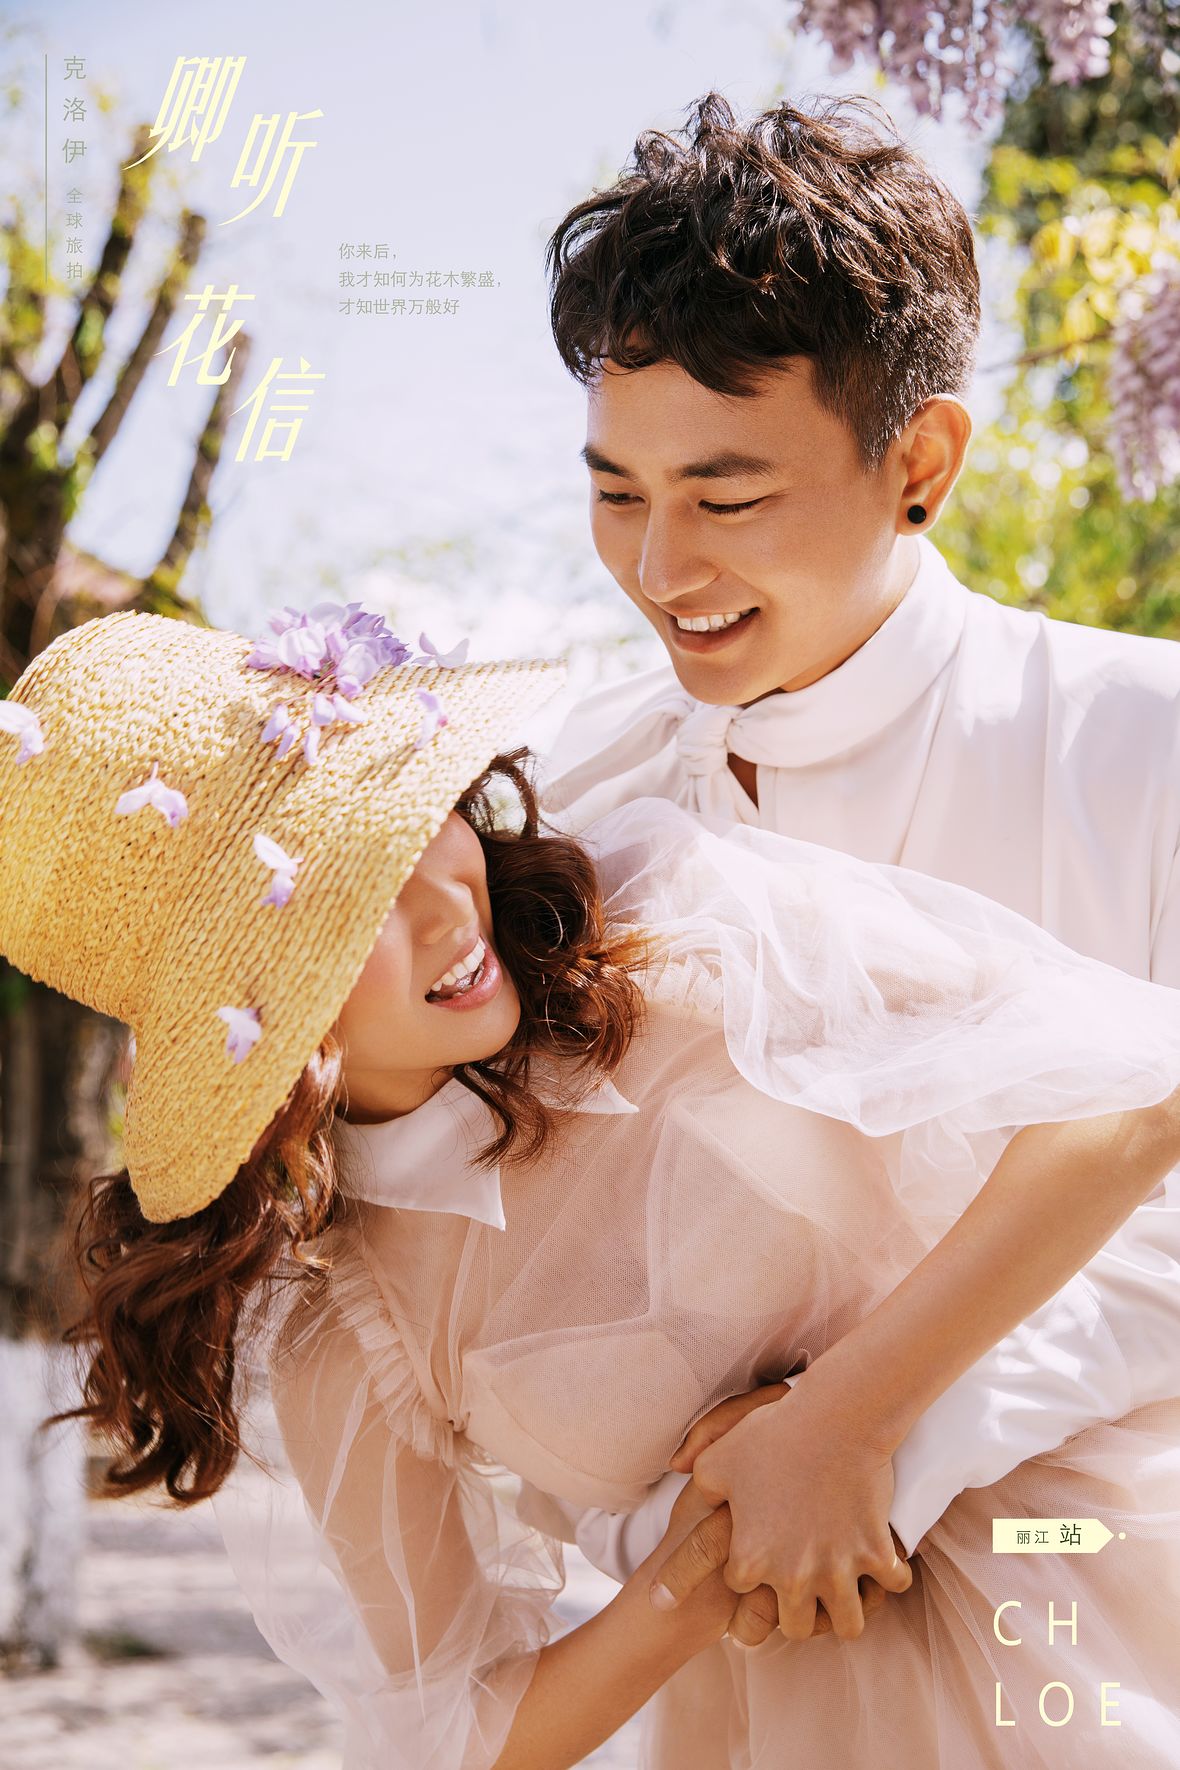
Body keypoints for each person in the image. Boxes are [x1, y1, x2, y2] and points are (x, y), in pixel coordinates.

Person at [7, 600, 1180, 1768]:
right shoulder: (358, 1338)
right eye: (342, 905)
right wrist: (704, 1559)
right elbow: (454, 1734)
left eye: (411, 821)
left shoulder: (672, 922)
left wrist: (840, 1428)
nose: (442, 906)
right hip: (803, 1707)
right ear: (243, 1013)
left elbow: (1136, 1092)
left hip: (1098, 1551)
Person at [538, 88, 1180, 1636]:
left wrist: (868, 1426)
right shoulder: (582, 802)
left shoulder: (1141, 741)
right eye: (617, 491)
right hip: (698, 1632)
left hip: (1094, 1622)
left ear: (922, 462)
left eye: (728, 495)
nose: (661, 567)